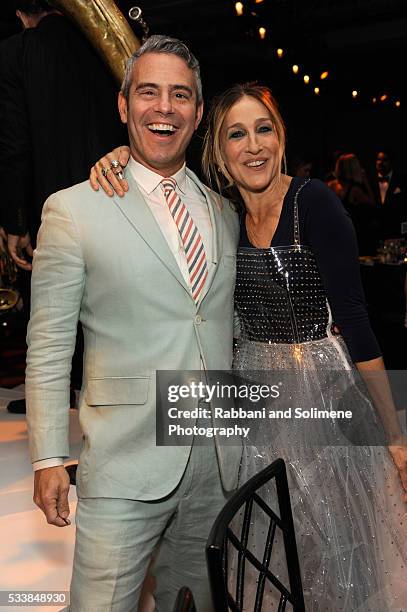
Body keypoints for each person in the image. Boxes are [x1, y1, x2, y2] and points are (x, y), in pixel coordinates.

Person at [96, 83, 407, 611]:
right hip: (253, 396)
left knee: (337, 547)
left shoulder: (315, 203)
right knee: (266, 542)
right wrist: (122, 156)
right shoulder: (219, 216)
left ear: (281, 137)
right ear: (217, 149)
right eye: (236, 134)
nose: (253, 146)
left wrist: (393, 438)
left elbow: (356, 321)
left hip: (324, 396)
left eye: (264, 129)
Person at [26, 35, 241, 611]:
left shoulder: (223, 212)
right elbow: (48, 346)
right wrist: (48, 457)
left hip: (215, 463)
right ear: (123, 106)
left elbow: (224, 328)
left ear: (197, 112)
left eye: (180, 96)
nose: (163, 108)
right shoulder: (73, 209)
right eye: (148, 93)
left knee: (195, 603)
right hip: (125, 460)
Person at [0, 0, 124, 412]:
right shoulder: (98, 43)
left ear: (20, 14)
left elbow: (15, 145)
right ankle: (100, 393)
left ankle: (53, 401)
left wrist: (15, 220)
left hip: (51, 202)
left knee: (53, 307)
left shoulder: (16, 52)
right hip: (112, 190)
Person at [327, 152, 378, 254]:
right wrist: (366, 182)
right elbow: (372, 203)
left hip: (333, 232)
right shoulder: (354, 190)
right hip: (351, 234)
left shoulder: (330, 185)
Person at [373, 150, 407, 239]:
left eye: (385, 160)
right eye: (378, 159)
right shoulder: (369, 181)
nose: (381, 162)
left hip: (395, 230)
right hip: (375, 231)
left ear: (391, 162)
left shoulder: (402, 180)